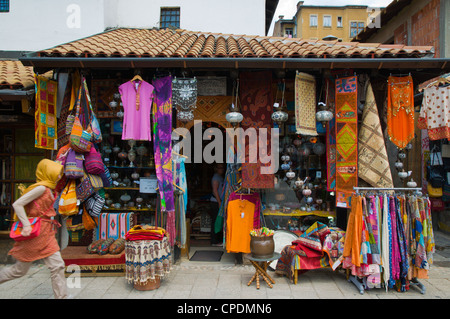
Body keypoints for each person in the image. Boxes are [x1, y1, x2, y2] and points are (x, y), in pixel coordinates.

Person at [0, 159, 68, 299]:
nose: (58, 176)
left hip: (47, 233)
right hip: (34, 234)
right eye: (55, 173)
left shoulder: (49, 188)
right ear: (47, 172)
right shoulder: (41, 188)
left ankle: (62, 297)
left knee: (58, 265)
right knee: (19, 271)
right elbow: (18, 204)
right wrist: (25, 225)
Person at [210, 163, 225, 246]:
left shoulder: (220, 177)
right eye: (220, 168)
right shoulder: (216, 177)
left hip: (218, 201)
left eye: (222, 168)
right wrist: (219, 202)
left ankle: (217, 240)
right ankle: (214, 241)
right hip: (215, 202)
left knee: (219, 220)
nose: (221, 169)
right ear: (216, 168)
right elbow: (215, 190)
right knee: (216, 221)